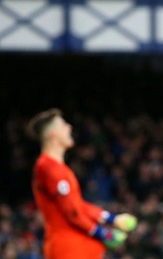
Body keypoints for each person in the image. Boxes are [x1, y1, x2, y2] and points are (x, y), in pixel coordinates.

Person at [27, 108, 138, 259]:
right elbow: (72, 212)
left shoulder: (60, 169)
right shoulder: (48, 168)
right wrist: (103, 233)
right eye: (63, 125)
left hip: (77, 247)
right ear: (53, 135)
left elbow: (77, 204)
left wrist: (111, 219)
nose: (69, 127)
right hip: (69, 250)